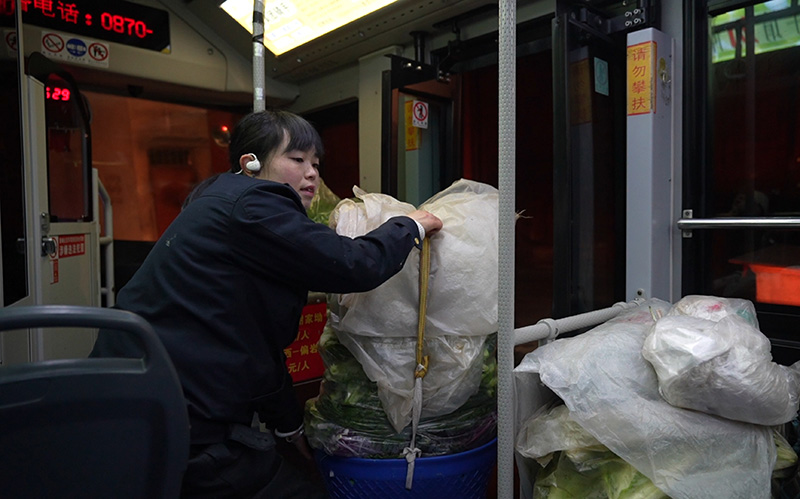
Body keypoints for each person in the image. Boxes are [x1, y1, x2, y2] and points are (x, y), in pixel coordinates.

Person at [90, 109, 442, 498]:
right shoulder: (253, 203)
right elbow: (352, 264)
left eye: (315, 163)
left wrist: (287, 426)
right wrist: (411, 226)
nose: (312, 174)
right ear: (250, 163)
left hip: (144, 399)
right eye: (297, 159)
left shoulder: (220, 201)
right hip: (180, 415)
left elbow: (253, 340)